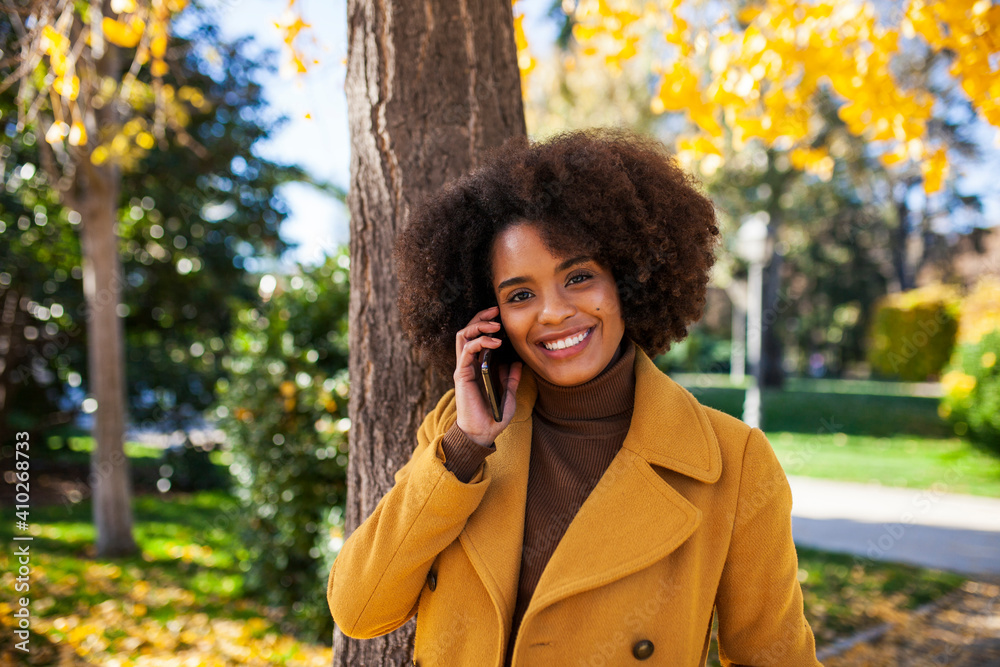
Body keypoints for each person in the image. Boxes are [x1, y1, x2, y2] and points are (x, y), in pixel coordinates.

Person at [327, 128, 822, 666]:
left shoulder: (732, 462)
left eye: (579, 276)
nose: (554, 312)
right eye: (520, 294)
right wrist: (466, 446)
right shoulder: (459, 433)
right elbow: (359, 609)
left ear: (629, 280)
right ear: (490, 315)